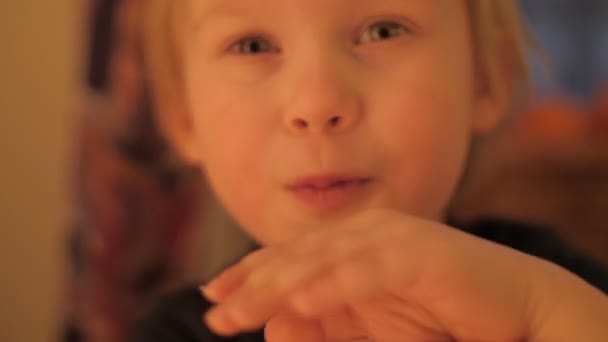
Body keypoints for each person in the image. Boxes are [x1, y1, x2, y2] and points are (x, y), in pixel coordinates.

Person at [130, 0, 608, 341]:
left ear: (487, 79)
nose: (316, 104)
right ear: (184, 117)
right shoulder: (178, 334)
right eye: (251, 44)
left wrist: (536, 315)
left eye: (383, 31)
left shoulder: (550, 286)